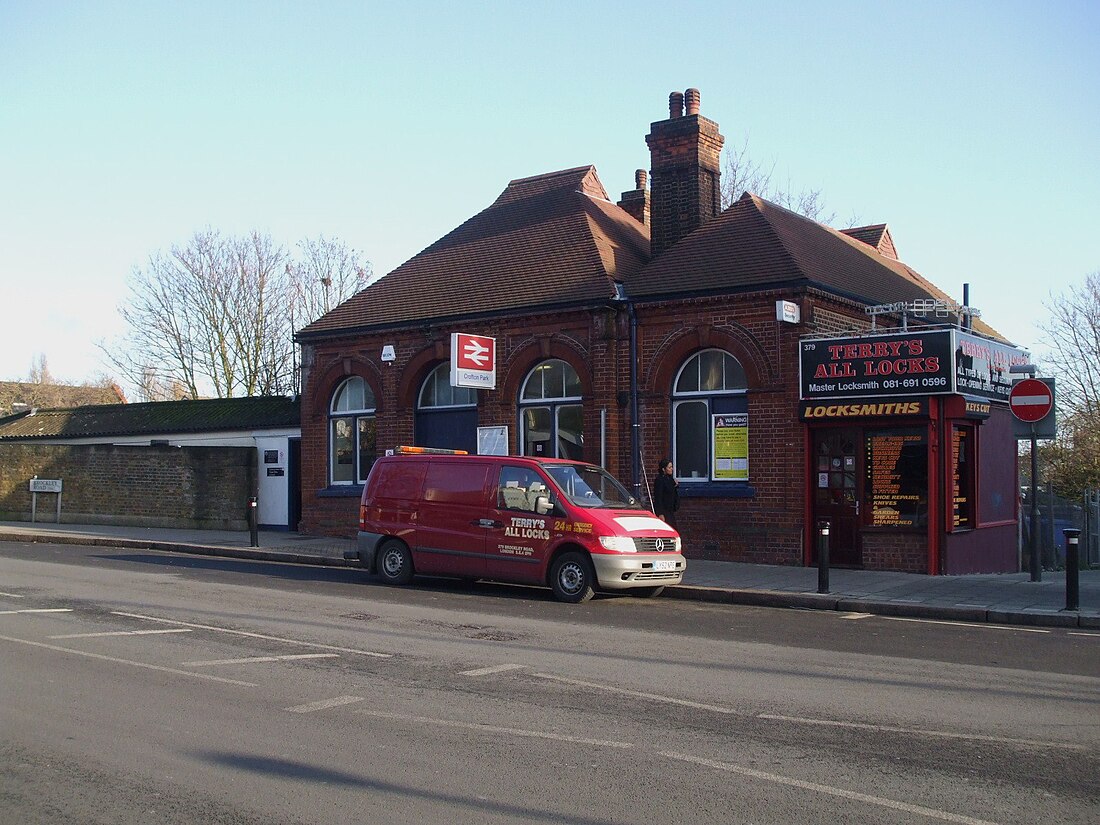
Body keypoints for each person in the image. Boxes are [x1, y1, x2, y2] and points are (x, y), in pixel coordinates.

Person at [652, 458, 679, 528]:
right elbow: (658, 497)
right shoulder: (660, 480)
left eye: (672, 467)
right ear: (664, 469)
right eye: (669, 467)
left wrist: (675, 485)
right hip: (664, 511)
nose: (671, 469)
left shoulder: (670, 479)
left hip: (670, 510)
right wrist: (660, 513)